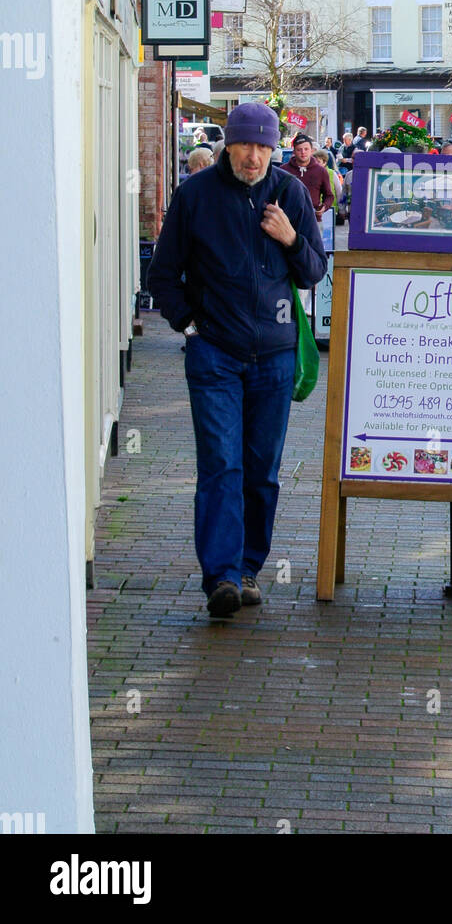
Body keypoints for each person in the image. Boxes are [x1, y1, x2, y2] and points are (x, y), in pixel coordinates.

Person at [148, 103, 327, 617]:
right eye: (245, 146)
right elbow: (163, 275)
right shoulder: (195, 196)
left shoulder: (288, 193)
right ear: (228, 145)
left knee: (262, 470)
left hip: (273, 356)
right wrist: (189, 324)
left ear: (275, 149)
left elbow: (314, 270)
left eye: (264, 148)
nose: (254, 157)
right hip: (215, 355)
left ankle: (249, 567)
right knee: (221, 464)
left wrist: (290, 237)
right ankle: (222, 577)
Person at [281, 132, 334, 221]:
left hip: (313, 220)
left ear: (311, 150)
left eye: (306, 149)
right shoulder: (283, 171)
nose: (303, 152)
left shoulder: (321, 171)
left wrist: (324, 207)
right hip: (287, 220)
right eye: (299, 150)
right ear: (294, 151)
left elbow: (329, 195)